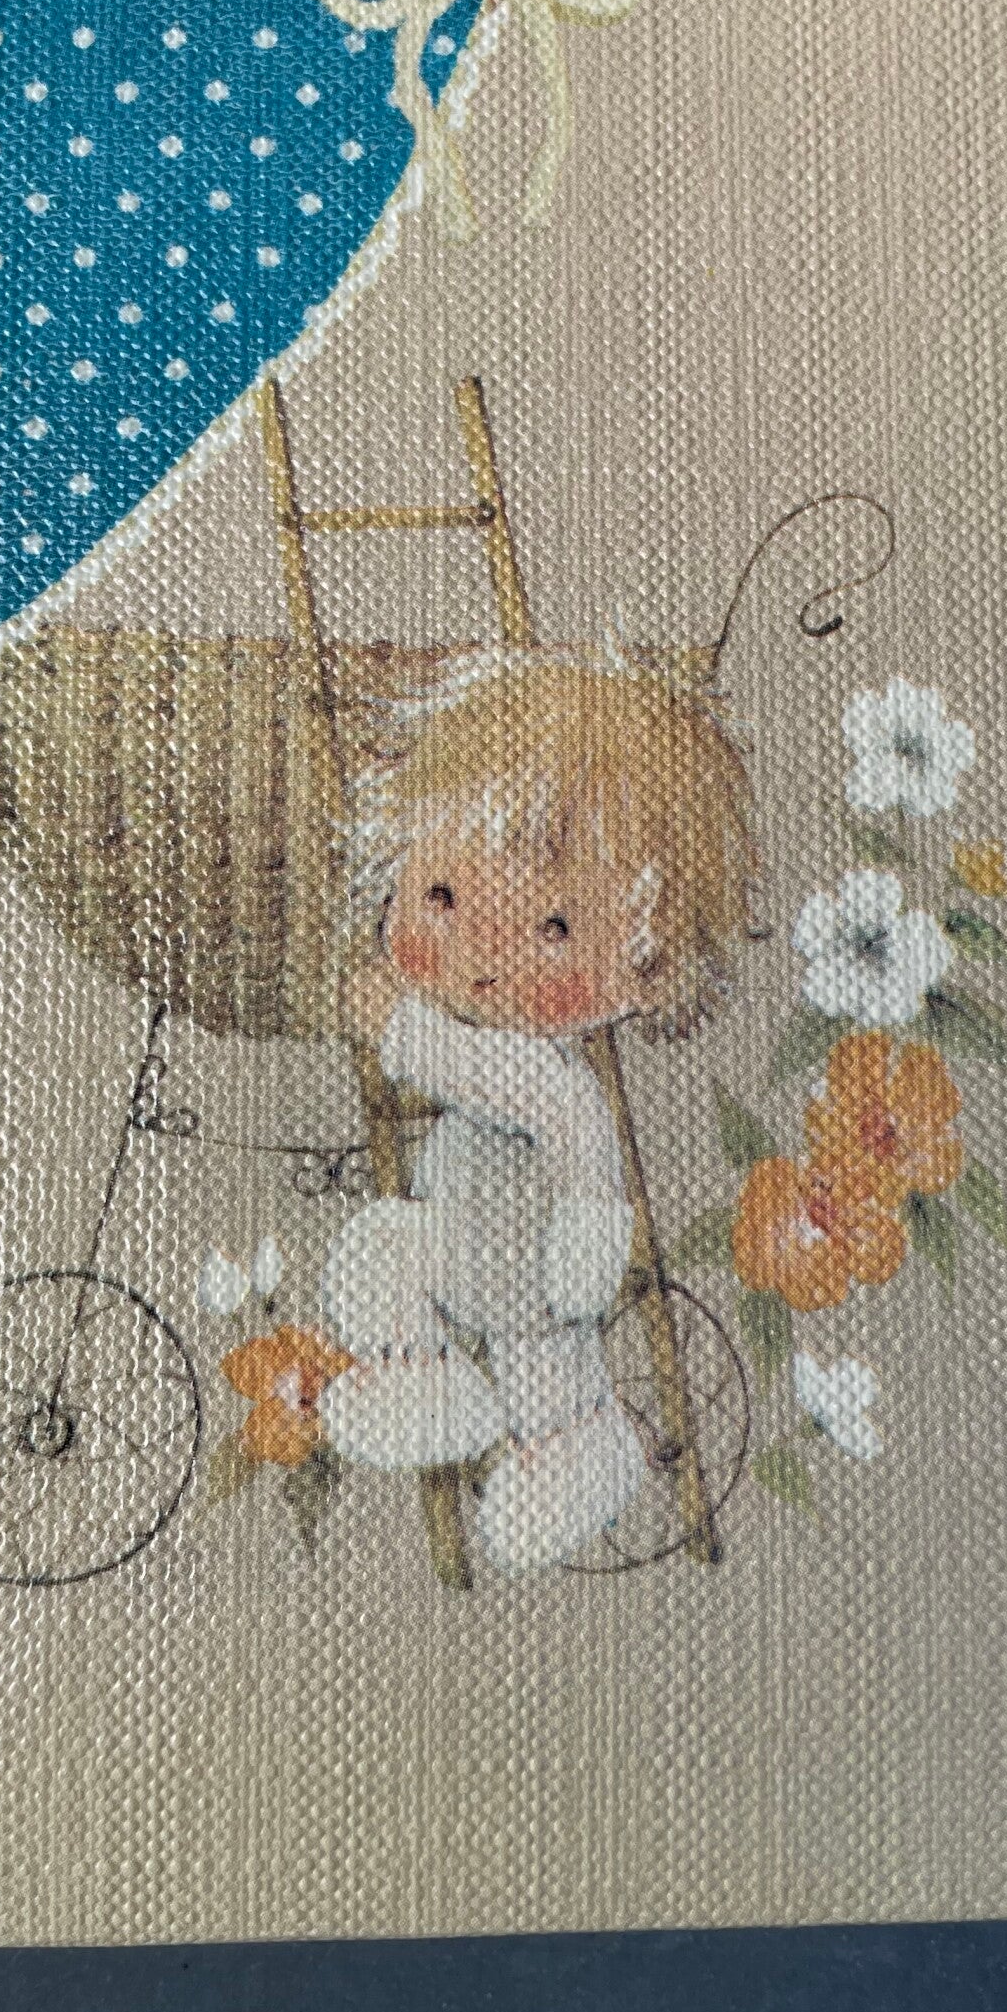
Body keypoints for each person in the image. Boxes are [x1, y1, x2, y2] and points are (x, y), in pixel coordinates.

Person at [318, 645, 759, 1573]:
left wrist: (397, 1025)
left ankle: (581, 1454)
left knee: (546, 1373)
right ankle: (426, 1383)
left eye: (553, 928)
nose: (481, 956)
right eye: (441, 895)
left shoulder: (547, 1076)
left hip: (529, 1275)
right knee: (379, 1250)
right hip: (453, 1237)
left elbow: (498, 1084)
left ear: (643, 965)